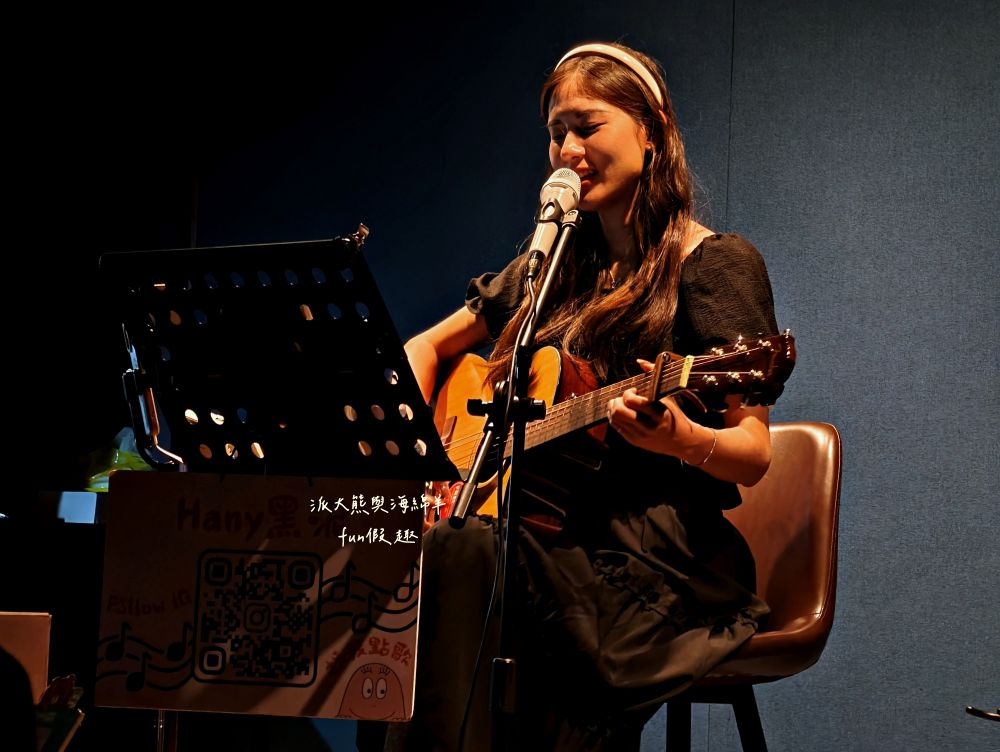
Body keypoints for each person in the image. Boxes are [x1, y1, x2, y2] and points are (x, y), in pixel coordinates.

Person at [387, 41, 779, 751]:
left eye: (587, 126)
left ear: (652, 128)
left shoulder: (713, 264)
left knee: (463, 552)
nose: (566, 149)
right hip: (540, 533)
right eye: (555, 132)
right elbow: (423, 347)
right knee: (432, 546)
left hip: (653, 557)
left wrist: (682, 440)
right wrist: (418, 461)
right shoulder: (553, 269)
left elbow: (752, 454)